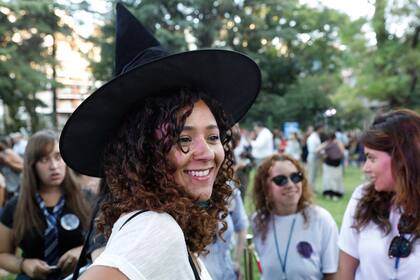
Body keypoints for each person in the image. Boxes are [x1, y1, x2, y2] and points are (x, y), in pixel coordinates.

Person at [59, 3, 261, 280]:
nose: (206, 152)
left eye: (213, 137)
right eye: (183, 138)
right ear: (144, 152)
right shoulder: (154, 229)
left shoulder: (165, 223)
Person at [338, 109, 420, 280]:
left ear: (402, 158)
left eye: (371, 158)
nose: (365, 168)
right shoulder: (362, 199)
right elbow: (345, 273)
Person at [0, 130, 91, 280]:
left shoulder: (88, 199)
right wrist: (23, 264)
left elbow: (108, 243)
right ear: (32, 164)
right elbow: (2, 253)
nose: (54, 166)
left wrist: (83, 251)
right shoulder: (15, 206)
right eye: (44, 159)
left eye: (58, 157)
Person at [252, 154, 338, 280]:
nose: (290, 184)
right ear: (266, 187)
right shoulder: (258, 221)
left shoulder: (321, 219)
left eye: (295, 177)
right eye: (280, 180)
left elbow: (332, 274)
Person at [199, 187, 248, 280]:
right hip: (203, 275)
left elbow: (241, 226)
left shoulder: (230, 192)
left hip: (228, 273)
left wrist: (237, 260)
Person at [317, 131, 345, 200]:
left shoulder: (337, 143)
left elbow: (342, 153)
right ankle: (329, 194)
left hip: (335, 164)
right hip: (330, 164)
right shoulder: (328, 143)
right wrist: (324, 156)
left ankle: (334, 194)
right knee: (329, 179)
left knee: (334, 179)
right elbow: (317, 150)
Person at [306, 124, 323, 192]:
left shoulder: (316, 137)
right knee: (311, 174)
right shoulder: (312, 138)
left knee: (314, 174)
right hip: (312, 157)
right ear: (318, 129)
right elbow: (313, 150)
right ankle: (310, 189)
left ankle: (312, 188)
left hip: (315, 157)